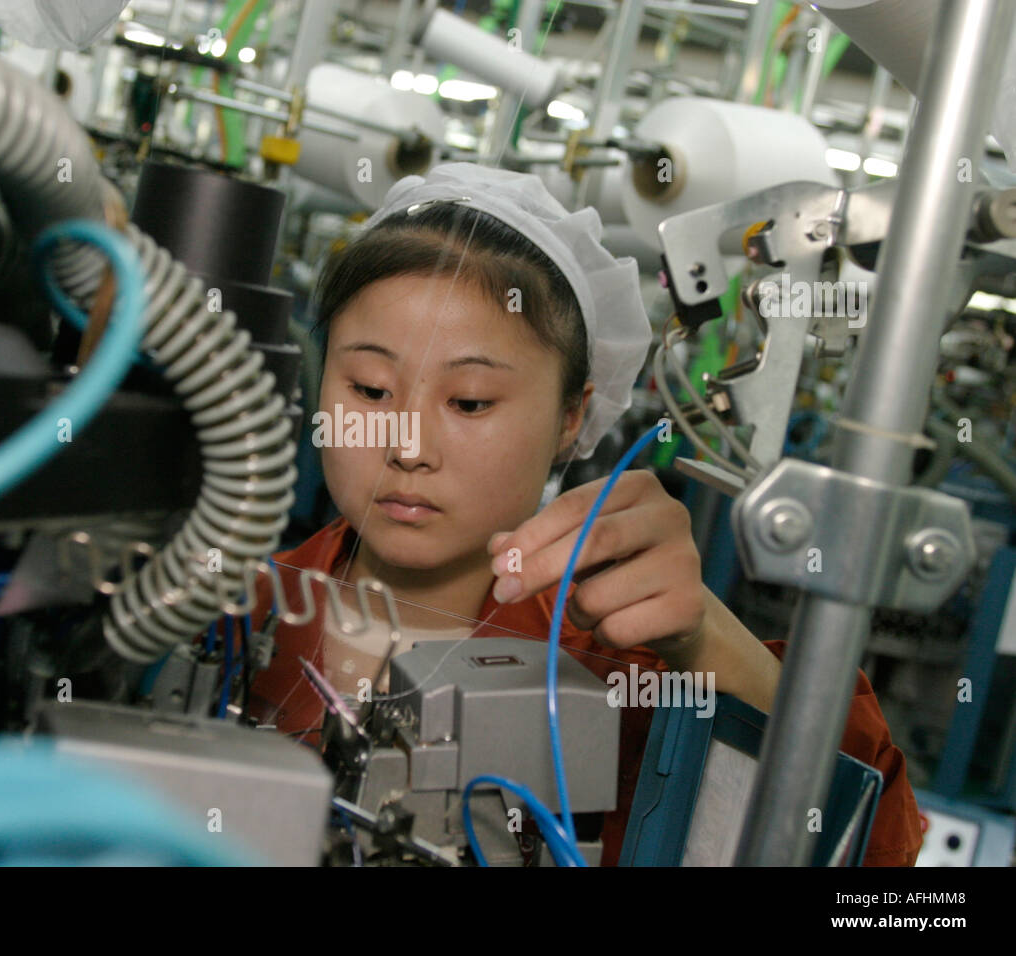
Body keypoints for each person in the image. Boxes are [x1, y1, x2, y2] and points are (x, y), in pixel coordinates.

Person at [234, 162, 921, 866]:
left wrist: (711, 642)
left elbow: (873, 853)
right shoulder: (228, 612)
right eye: (372, 390)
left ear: (571, 418)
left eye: (469, 402)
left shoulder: (624, 674)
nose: (408, 447)